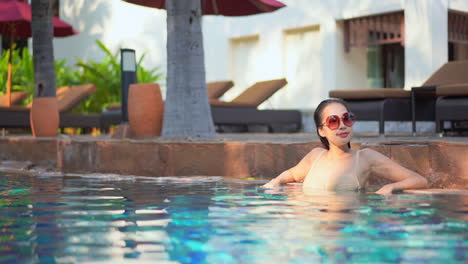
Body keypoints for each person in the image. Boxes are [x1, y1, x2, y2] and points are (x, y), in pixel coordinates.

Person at [261, 99, 428, 195]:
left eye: (346, 119)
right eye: (333, 121)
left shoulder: (365, 157)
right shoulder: (315, 156)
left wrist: (391, 187)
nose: (342, 126)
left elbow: (419, 180)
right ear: (322, 130)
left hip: (344, 233)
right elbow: (292, 174)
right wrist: (276, 181)